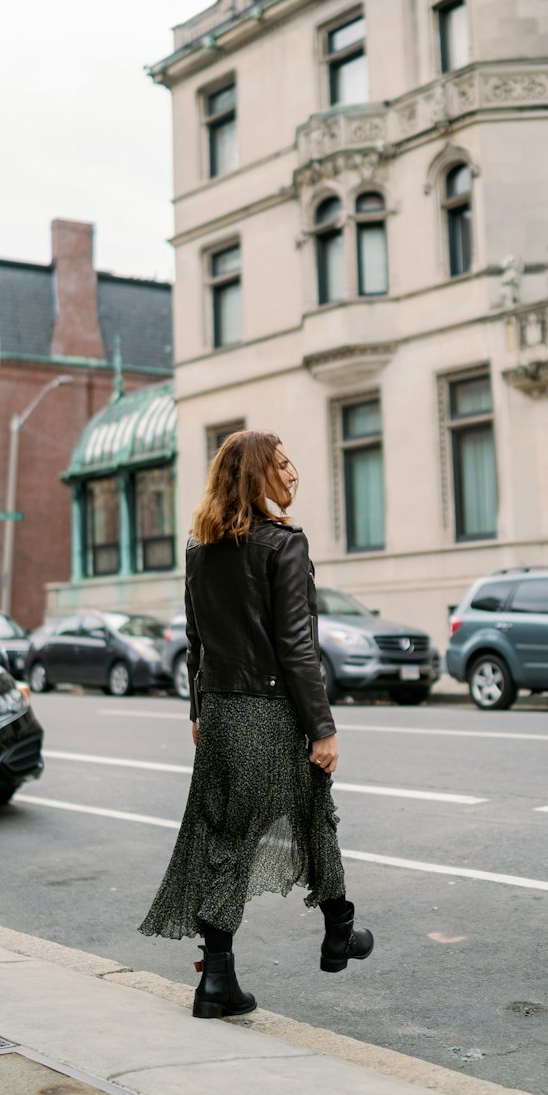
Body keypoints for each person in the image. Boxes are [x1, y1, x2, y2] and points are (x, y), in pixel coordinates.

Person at [138, 429, 373, 1018]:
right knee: (308, 808)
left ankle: (219, 979)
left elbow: (197, 641)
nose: (293, 475)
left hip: (219, 712)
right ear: (257, 476)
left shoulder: (199, 546)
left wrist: (198, 711)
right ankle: (337, 929)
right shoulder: (282, 544)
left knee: (225, 835)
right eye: (284, 465)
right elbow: (298, 647)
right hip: (268, 710)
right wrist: (322, 727)